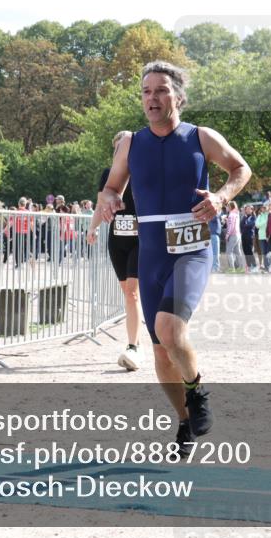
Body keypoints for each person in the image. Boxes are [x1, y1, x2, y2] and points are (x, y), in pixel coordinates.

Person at [97, 61, 251, 453]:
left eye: (161, 90)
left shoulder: (200, 137)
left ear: (178, 97)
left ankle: (198, 393)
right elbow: (111, 188)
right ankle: (184, 422)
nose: (153, 98)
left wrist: (221, 197)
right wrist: (110, 198)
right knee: (161, 351)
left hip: (192, 247)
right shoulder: (131, 142)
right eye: (147, 92)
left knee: (169, 327)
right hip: (151, 252)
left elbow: (240, 169)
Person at [87, 131, 143, 372]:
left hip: (140, 241)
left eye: (126, 148)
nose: (121, 152)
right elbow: (102, 205)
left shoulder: (143, 173)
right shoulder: (107, 175)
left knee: (132, 293)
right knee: (127, 293)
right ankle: (137, 340)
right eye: (117, 148)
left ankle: (133, 347)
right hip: (117, 240)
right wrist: (92, 228)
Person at [224, 201, 246, 273]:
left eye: (227, 206)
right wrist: (227, 221)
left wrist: (227, 235)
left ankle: (232, 269)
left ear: (230, 207)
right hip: (238, 234)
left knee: (228, 252)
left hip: (233, 235)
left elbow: (231, 226)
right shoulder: (236, 213)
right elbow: (233, 224)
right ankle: (241, 268)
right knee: (238, 252)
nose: (226, 207)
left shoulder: (231, 214)